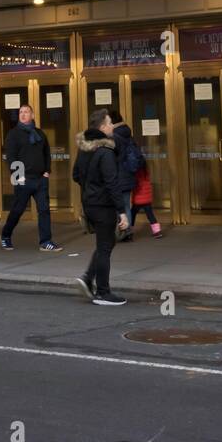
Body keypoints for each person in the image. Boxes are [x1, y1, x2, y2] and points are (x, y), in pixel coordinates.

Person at [72, 109, 129, 306]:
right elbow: (112, 183)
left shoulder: (84, 149)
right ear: (102, 127)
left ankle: (88, 278)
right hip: (103, 206)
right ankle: (103, 292)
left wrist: (90, 188)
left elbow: (76, 175)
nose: (113, 126)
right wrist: (122, 211)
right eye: (110, 123)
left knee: (105, 243)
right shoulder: (105, 152)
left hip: (90, 204)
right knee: (105, 248)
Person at [1, 104, 62, 251]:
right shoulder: (13, 134)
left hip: (40, 179)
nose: (23, 114)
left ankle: (45, 241)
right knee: (18, 210)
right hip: (23, 178)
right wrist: (18, 178)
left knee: (44, 210)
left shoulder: (40, 134)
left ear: (32, 115)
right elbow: (11, 157)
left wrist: (46, 171)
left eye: (26, 112)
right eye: (21, 112)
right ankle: (5, 235)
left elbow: (46, 153)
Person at [108, 108, 145, 243]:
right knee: (125, 204)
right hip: (128, 175)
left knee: (118, 205)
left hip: (117, 176)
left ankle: (120, 232)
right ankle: (127, 232)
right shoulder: (127, 132)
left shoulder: (114, 136)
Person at [129, 164, 164, 237]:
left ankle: (129, 230)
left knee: (132, 214)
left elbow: (134, 183)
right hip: (147, 198)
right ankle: (157, 231)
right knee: (150, 214)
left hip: (138, 198)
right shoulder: (146, 171)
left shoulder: (135, 172)